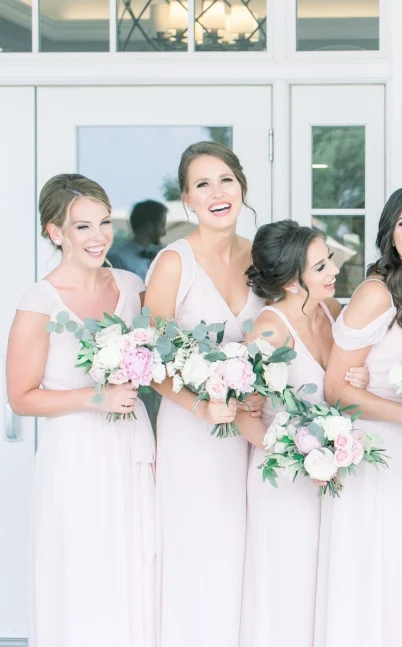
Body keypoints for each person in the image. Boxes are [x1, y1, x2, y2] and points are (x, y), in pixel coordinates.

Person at [7, 174, 155, 646]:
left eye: (105, 222)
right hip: (75, 453)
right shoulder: (40, 301)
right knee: (82, 570)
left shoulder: (131, 286)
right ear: (56, 233)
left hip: (130, 444)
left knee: (135, 563)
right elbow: (21, 396)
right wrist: (97, 398)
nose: (99, 236)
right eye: (83, 226)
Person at [316, 186, 402, 647]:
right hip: (374, 449)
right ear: (390, 234)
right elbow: (336, 390)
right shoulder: (376, 293)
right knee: (371, 570)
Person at [144, 141, 265, 647]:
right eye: (202, 184)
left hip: (254, 433)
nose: (217, 193)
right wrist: (201, 405)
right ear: (187, 200)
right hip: (194, 434)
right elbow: (149, 363)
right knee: (200, 556)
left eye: (225, 180)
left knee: (250, 555)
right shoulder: (175, 263)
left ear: (242, 186)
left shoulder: (263, 258)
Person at [232, 220, 369, 647]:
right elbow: (243, 414)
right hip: (284, 480)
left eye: (329, 260)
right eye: (321, 266)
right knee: (286, 590)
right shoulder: (269, 331)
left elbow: (342, 383)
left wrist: (361, 379)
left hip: (330, 476)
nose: (334, 271)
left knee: (326, 591)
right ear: (292, 282)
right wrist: (296, 454)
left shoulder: (332, 311)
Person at [107, 199, 167, 279]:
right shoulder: (117, 257)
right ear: (149, 226)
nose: (164, 233)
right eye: (162, 225)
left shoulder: (150, 258)